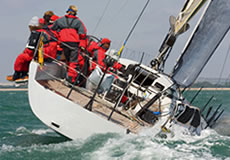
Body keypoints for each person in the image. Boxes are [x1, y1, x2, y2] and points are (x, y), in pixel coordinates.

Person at [51, 5, 87, 84]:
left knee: (67, 60)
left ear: (68, 11)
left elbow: (52, 30)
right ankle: (71, 79)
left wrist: (59, 36)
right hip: (74, 43)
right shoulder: (78, 22)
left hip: (63, 43)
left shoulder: (60, 20)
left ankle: (67, 75)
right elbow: (83, 34)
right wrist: (82, 45)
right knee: (73, 61)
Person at [7, 16, 49, 81]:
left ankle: (17, 74)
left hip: (34, 54)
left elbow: (31, 47)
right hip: (40, 53)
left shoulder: (35, 33)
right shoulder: (44, 32)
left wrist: (25, 52)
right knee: (24, 58)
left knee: (20, 58)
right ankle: (23, 74)